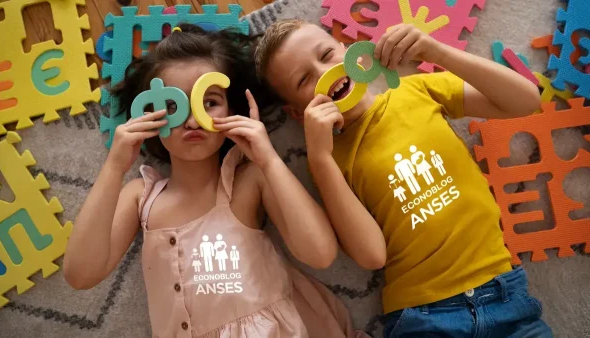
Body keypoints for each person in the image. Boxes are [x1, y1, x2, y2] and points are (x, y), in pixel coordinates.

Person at [64, 24, 367, 338]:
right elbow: (80, 275)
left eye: (209, 102)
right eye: (172, 106)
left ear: (232, 110)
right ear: (148, 115)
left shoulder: (248, 180)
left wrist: (268, 158)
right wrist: (114, 167)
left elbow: (321, 253)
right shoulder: (141, 195)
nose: (193, 120)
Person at [255, 20, 552, 337]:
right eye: (304, 79)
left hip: (504, 294)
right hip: (425, 316)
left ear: (349, 50)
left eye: (326, 54)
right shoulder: (328, 159)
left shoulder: (416, 89)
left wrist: (435, 51)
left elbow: (527, 100)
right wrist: (320, 157)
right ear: (298, 114)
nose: (323, 74)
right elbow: (372, 255)